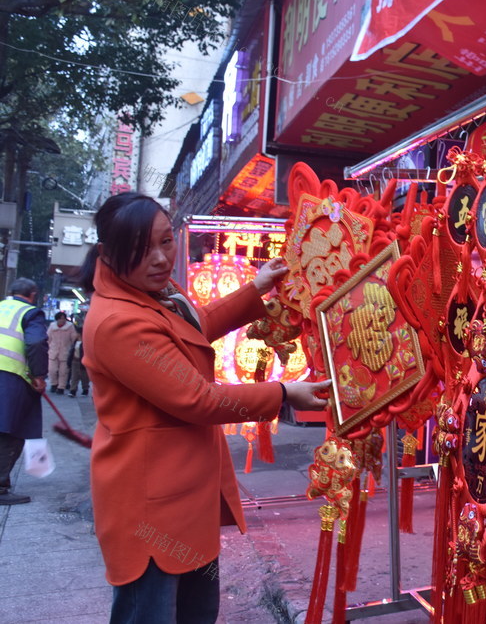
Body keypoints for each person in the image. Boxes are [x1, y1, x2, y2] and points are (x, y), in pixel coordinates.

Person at [78, 192, 329, 623]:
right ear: (109, 254)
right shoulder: (118, 321)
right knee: (151, 611)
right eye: (142, 250)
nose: (159, 259)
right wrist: (284, 393)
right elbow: (197, 398)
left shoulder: (154, 294)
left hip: (182, 497)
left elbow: (196, 327)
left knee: (197, 612)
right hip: (149, 509)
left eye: (164, 242)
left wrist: (255, 287)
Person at [0, 278, 49, 506]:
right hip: (10, 377)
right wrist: (38, 375)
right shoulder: (31, 313)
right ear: (33, 294)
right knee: (12, 431)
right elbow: (36, 342)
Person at [46, 310, 77, 394]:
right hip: (53, 352)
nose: (62, 320)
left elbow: (74, 338)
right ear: (57, 319)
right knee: (52, 370)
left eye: (63, 318)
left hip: (65, 352)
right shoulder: (52, 326)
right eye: (60, 318)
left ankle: (61, 387)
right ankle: (53, 384)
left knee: (63, 371)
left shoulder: (70, 327)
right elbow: (48, 338)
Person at [67, 314, 89, 398]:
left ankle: (85, 389)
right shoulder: (75, 342)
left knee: (84, 377)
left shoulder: (85, 343)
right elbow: (71, 352)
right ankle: (73, 390)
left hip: (83, 362)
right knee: (74, 376)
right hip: (75, 361)